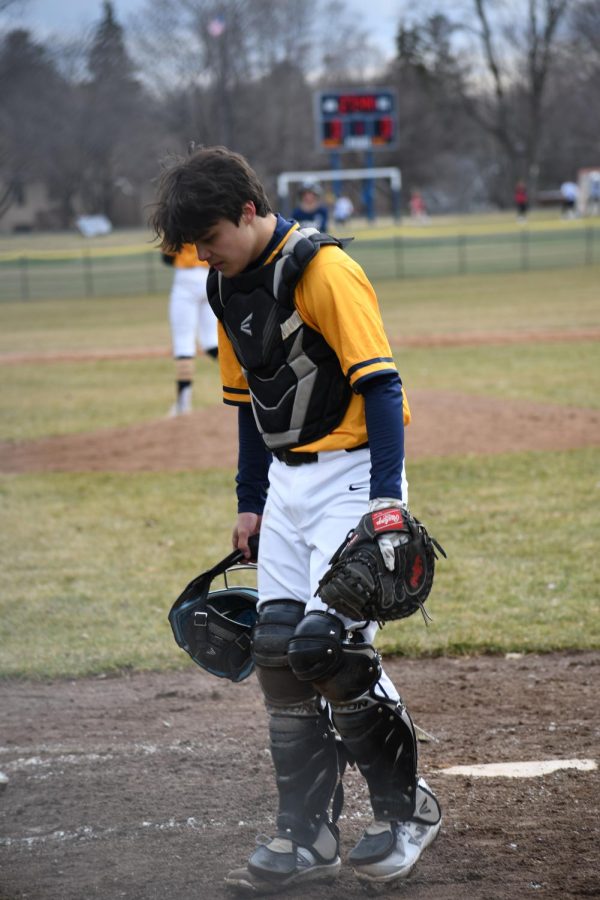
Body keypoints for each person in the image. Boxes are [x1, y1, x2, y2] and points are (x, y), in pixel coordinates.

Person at [151, 146, 442, 893]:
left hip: (354, 476)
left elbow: (380, 385)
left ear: (248, 211)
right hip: (287, 486)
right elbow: (248, 405)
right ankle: (308, 836)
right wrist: (250, 501)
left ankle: (407, 812)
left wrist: (386, 502)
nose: (203, 253)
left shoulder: (322, 270)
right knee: (279, 654)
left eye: (209, 236)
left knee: (328, 649)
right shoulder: (224, 283)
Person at [161, 243, 218, 416]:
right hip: (210, 275)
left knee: (184, 342)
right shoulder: (210, 216)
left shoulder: (177, 216)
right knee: (211, 342)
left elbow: (166, 257)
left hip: (186, 277)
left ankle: (182, 405)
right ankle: (248, 384)